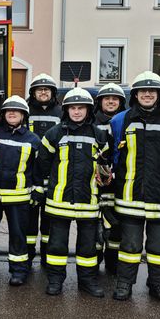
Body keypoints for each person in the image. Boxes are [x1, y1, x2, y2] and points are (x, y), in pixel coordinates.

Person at [109, 71, 160, 305]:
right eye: (143, 91)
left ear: (159, 94)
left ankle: (158, 285)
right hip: (129, 195)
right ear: (135, 95)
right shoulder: (120, 120)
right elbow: (112, 157)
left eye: (152, 91)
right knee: (129, 246)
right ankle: (124, 284)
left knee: (158, 247)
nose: (148, 94)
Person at [36, 88, 111, 297]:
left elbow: (106, 166)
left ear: (89, 110)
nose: (77, 112)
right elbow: (42, 164)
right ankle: (55, 280)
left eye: (81, 108)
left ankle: (87, 281)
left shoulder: (99, 135)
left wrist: (105, 182)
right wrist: (43, 190)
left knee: (88, 247)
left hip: (88, 201)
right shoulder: (54, 134)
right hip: (59, 201)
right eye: (73, 108)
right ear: (66, 110)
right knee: (57, 245)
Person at [0, 95, 39, 286]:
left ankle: (18, 271)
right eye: (8, 111)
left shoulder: (33, 140)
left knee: (18, 236)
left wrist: (38, 189)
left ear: (24, 115)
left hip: (19, 198)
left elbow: (39, 168)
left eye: (17, 111)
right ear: (3, 114)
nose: (12, 113)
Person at [25, 73, 62, 264]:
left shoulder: (61, 112)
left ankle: (47, 257)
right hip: (30, 172)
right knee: (29, 220)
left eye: (47, 89)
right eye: (39, 89)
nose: (43, 92)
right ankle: (28, 256)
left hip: (54, 173)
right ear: (33, 92)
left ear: (53, 92)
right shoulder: (25, 110)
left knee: (50, 220)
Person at [93, 83, 126, 274]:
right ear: (100, 102)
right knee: (95, 224)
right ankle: (94, 262)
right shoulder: (92, 122)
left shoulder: (127, 121)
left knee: (117, 224)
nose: (111, 101)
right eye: (107, 98)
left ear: (121, 102)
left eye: (115, 99)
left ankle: (113, 263)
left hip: (120, 181)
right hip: (96, 181)